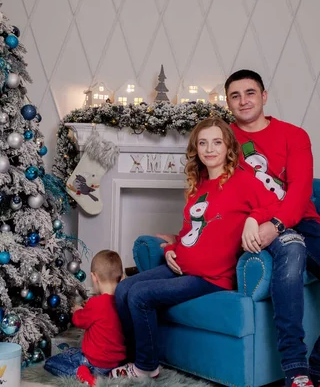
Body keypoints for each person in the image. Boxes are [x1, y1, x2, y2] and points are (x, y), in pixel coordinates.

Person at [224, 69, 320, 387]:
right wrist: (259, 222)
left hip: (304, 222)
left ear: (264, 96)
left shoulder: (294, 135)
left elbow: (301, 191)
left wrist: (276, 223)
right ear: (228, 103)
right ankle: (296, 369)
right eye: (235, 95)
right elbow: (224, 194)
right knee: (291, 253)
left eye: (250, 92)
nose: (243, 100)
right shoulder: (223, 139)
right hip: (259, 225)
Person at [111, 117, 282, 379]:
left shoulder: (242, 181)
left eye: (216, 142)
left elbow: (277, 204)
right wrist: (170, 249)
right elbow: (190, 232)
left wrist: (253, 218)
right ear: (196, 148)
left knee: (140, 295)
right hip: (182, 266)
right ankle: (134, 358)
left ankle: (147, 368)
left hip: (210, 278)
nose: (209, 149)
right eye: (203, 143)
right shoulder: (198, 184)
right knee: (124, 287)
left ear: (228, 148)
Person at [43, 250, 126, 386]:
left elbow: (79, 320)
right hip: (116, 362)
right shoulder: (124, 302)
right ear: (122, 278)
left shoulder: (95, 303)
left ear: (94, 277)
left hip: (95, 363)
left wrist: (77, 311)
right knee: (73, 351)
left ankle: (82, 374)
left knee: (51, 362)